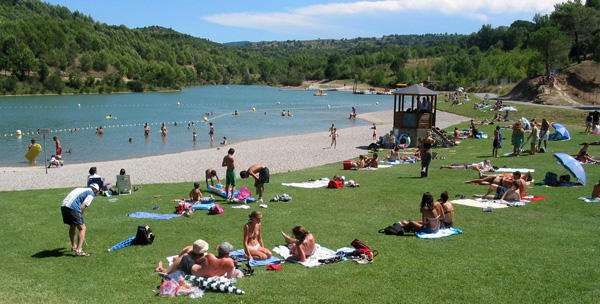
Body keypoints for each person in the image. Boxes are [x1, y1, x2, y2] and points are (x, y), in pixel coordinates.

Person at [155, 239, 235, 278]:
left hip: (194, 272)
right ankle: (170, 268)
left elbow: (196, 261)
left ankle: (165, 271)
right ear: (228, 253)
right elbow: (229, 277)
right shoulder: (230, 263)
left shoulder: (210, 256)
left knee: (184, 256)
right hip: (210, 276)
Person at [61, 183, 99, 257]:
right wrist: (81, 214)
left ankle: (74, 246)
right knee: (82, 228)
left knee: (73, 226)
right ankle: (79, 250)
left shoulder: (80, 189)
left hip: (64, 206)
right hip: (72, 207)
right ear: (95, 190)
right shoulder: (91, 193)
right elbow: (83, 206)